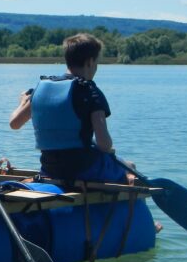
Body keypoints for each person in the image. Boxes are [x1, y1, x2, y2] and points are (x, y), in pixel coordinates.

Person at [9, 32, 128, 183]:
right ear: (90, 62)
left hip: (49, 168)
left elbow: (14, 123)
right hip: (83, 169)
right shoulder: (90, 92)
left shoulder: (42, 89)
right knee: (128, 166)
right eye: (97, 63)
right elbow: (104, 145)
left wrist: (22, 103)